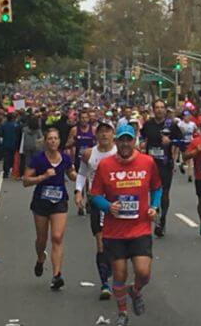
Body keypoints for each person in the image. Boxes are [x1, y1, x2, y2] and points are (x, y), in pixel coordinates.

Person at [90, 124, 162, 326]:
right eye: (121, 139)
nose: (124, 143)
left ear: (134, 140)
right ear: (116, 141)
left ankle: (136, 290)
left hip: (139, 228)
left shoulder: (147, 162)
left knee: (143, 272)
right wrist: (107, 206)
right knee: (119, 273)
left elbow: (157, 188)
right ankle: (122, 312)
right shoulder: (105, 165)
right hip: (115, 232)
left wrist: (154, 207)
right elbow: (94, 195)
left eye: (128, 139)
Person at [23, 128, 77, 290]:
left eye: (56, 138)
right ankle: (41, 258)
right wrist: (43, 177)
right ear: (45, 141)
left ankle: (56, 275)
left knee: (57, 237)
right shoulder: (38, 160)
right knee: (42, 239)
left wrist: (80, 176)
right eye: (50, 139)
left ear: (59, 141)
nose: (53, 141)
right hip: (41, 202)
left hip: (59, 201)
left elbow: (71, 173)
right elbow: (26, 180)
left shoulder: (65, 158)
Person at [74, 120, 119, 300]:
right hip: (96, 201)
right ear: (96, 134)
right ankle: (104, 284)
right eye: (101, 131)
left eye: (108, 131)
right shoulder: (88, 154)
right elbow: (82, 173)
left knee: (116, 243)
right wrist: (78, 193)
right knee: (100, 241)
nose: (104, 134)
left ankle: (115, 272)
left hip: (117, 203)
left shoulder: (120, 152)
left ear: (113, 134)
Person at [140, 99, 182, 237]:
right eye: (156, 107)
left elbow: (182, 142)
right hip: (150, 163)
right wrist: (141, 144)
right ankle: (155, 213)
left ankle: (162, 219)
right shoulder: (148, 125)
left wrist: (171, 142)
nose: (159, 110)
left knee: (164, 192)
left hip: (165, 163)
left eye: (162, 107)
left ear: (165, 110)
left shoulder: (171, 125)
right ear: (153, 109)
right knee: (153, 191)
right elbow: (141, 137)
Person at [177, 110, 198, 181]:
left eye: (189, 116)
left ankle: (190, 175)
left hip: (190, 142)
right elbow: (176, 132)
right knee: (185, 158)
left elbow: (197, 131)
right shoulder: (180, 124)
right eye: (185, 116)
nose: (187, 117)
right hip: (183, 142)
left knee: (190, 158)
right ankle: (182, 164)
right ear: (183, 117)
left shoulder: (192, 124)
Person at [0, 112, 19, 179]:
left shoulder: (3, 125)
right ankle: (11, 169)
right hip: (14, 144)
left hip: (6, 143)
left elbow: (0, 134)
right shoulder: (16, 125)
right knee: (13, 157)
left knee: (6, 158)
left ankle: (6, 172)